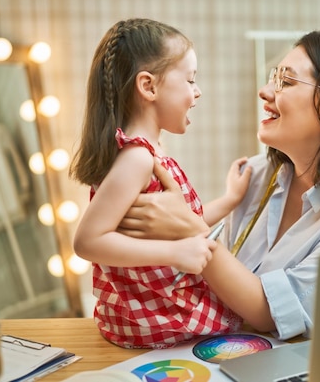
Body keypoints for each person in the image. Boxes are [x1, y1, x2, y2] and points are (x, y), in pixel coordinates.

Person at [119, 30, 320, 340]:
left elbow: (269, 313)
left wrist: (189, 229)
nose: (265, 91)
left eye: (286, 81)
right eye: (274, 77)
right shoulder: (256, 176)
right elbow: (217, 284)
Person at [69, 18, 250, 349]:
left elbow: (176, 222)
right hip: (156, 318)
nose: (197, 91)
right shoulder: (137, 158)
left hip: (153, 311)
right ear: (149, 87)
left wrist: (229, 200)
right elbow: (87, 242)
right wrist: (175, 252)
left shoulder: (148, 154)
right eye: (190, 79)